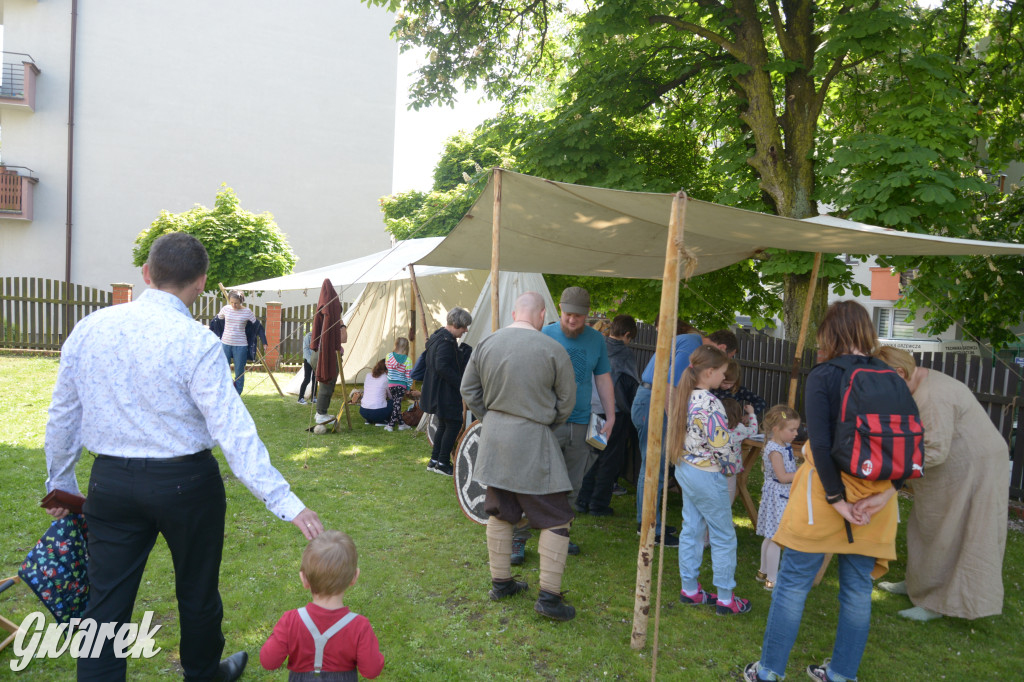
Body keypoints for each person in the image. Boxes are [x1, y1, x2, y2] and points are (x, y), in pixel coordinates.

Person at [43, 232, 323, 682]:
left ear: (146, 274)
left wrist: (60, 482)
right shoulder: (196, 341)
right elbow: (234, 432)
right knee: (196, 592)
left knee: (105, 605)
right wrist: (287, 502)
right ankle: (203, 673)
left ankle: (204, 671)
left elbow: (63, 415)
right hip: (185, 486)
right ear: (201, 283)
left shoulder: (92, 328)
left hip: (112, 483)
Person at [745, 300, 901, 682]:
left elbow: (819, 439)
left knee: (792, 586)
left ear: (830, 334)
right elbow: (910, 447)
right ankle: (842, 674)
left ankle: (768, 672)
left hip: (823, 497)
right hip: (875, 500)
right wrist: (886, 493)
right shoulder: (891, 376)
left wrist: (837, 500)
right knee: (857, 592)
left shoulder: (825, 374)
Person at [460, 291, 578, 621]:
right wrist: (541, 422)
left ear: (515, 313)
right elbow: (567, 401)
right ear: (541, 315)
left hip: (494, 437)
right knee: (557, 515)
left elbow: (468, 390)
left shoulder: (486, 344)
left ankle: (501, 583)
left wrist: (493, 417)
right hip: (533, 439)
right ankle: (549, 598)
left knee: (501, 508)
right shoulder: (553, 349)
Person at [874, 345, 1009, 621]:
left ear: (900, 372)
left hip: (972, 469)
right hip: (951, 466)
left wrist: (887, 471)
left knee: (953, 531)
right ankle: (918, 586)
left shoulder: (934, 396)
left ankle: (938, 604)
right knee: (928, 525)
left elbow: (934, 450)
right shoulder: (918, 381)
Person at [633, 325, 738, 546]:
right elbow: (670, 385)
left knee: (657, 466)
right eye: (724, 363)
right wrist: (677, 426)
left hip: (653, 399)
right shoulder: (692, 343)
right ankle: (650, 529)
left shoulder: (690, 342)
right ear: (720, 348)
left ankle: (651, 522)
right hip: (655, 401)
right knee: (654, 466)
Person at [667, 344, 752, 616]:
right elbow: (721, 443)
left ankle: (690, 589)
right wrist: (731, 466)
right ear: (710, 372)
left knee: (691, 529)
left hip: (686, 468)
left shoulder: (686, 395)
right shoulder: (710, 402)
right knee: (723, 535)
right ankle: (726, 598)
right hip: (707, 474)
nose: (724, 379)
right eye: (723, 373)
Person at [535, 286, 614, 555]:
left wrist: (611, 415)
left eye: (578, 317)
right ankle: (520, 537)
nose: (572, 320)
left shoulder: (596, 340)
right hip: (549, 422)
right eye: (568, 315)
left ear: (587, 315)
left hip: (581, 423)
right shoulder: (545, 334)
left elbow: (603, 378)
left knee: (571, 485)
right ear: (560, 310)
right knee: (537, 479)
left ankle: (560, 535)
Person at [260, 530, 384, 680]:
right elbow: (371, 671)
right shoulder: (359, 626)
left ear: (304, 579)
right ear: (354, 577)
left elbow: (268, 662)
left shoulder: (290, 620)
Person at [576, 314, 640, 516]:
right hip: (616, 413)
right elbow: (631, 386)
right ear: (627, 334)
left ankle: (581, 501)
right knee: (609, 460)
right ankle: (598, 505)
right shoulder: (625, 355)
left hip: (594, 408)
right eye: (631, 338)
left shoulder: (596, 346)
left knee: (593, 455)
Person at [422, 307, 473, 476]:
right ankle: (443, 462)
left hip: (438, 390)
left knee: (444, 424)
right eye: (464, 326)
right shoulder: (445, 341)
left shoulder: (438, 337)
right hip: (445, 391)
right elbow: (442, 366)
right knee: (453, 423)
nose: (466, 330)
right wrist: (461, 383)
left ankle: (435, 460)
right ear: (456, 324)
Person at [755, 405, 800, 591]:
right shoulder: (775, 450)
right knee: (776, 538)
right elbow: (782, 477)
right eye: (792, 430)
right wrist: (804, 474)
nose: (796, 433)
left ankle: (763, 572)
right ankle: (772, 580)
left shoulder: (784, 446)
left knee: (770, 536)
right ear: (776, 429)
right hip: (777, 496)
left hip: (779, 495)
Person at [312, 279, 348, 424]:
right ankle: (321, 414)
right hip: (327, 356)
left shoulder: (322, 314)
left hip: (318, 355)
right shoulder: (331, 318)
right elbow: (343, 338)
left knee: (325, 383)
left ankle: (321, 412)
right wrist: (342, 324)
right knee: (327, 383)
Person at [218, 290, 257, 395]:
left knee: (239, 371)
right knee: (223, 369)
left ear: (241, 301)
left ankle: (237, 394)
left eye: (236, 303)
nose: (234, 305)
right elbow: (219, 318)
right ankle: (225, 391)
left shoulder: (247, 311)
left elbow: (255, 324)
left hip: (240, 345)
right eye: (231, 302)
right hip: (225, 343)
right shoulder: (226, 309)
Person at [721, 397, 758, 505]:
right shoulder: (739, 428)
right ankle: (725, 519)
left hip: (714, 467)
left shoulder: (715, 427)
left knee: (713, 496)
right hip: (731, 468)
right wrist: (751, 414)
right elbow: (753, 431)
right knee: (728, 496)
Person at [384, 337, 413, 432]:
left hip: (391, 384)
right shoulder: (408, 360)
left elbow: (388, 367)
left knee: (397, 404)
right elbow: (409, 375)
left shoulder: (389, 356)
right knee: (397, 404)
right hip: (401, 385)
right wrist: (408, 387)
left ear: (395, 345)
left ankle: (401, 424)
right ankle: (390, 425)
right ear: (406, 347)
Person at [359, 359, 393, 426]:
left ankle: (369, 420)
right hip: (377, 412)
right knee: (394, 401)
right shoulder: (386, 378)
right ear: (387, 370)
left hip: (363, 411)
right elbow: (391, 396)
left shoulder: (368, 375)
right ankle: (382, 421)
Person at [298, 327, 319, 405]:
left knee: (315, 379)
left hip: (316, 361)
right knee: (307, 379)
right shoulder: (308, 336)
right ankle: (300, 398)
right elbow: (306, 350)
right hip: (308, 361)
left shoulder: (321, 336)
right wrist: (311, 361)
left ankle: (313, 397)